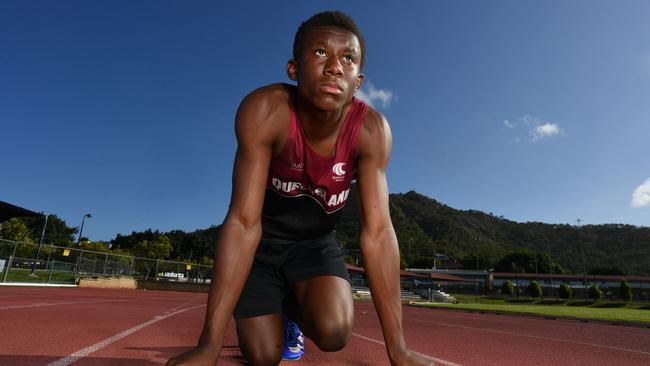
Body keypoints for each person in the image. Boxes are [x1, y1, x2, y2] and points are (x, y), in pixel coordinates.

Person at [167, 10, 432, 366]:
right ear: (294, 69)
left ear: (358, 81)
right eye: (321, 52)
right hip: (262, 244)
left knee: (334, 331)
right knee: (263, 357)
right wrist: (208, 347)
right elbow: (243, 222)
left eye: (348, 58)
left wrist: (398, 350)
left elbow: (379, 233)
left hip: (314, 246)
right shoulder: (265, 111)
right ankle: (272, 310)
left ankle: (295, 306)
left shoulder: (371, 131)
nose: (335, 66)